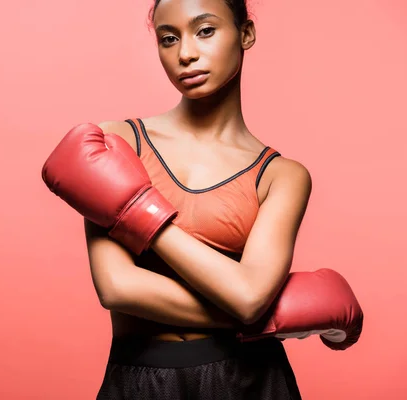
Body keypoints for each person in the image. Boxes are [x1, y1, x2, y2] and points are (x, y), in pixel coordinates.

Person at [42, 0, 363, 398]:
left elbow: (248, 298)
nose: (186, 53)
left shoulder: (282, 176)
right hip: (141, 381)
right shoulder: (115, 144)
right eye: (168, 38)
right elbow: (117, 287)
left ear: (245, 34)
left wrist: (136, 212)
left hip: (250, 382)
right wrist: (260, 320)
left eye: (205, 31)